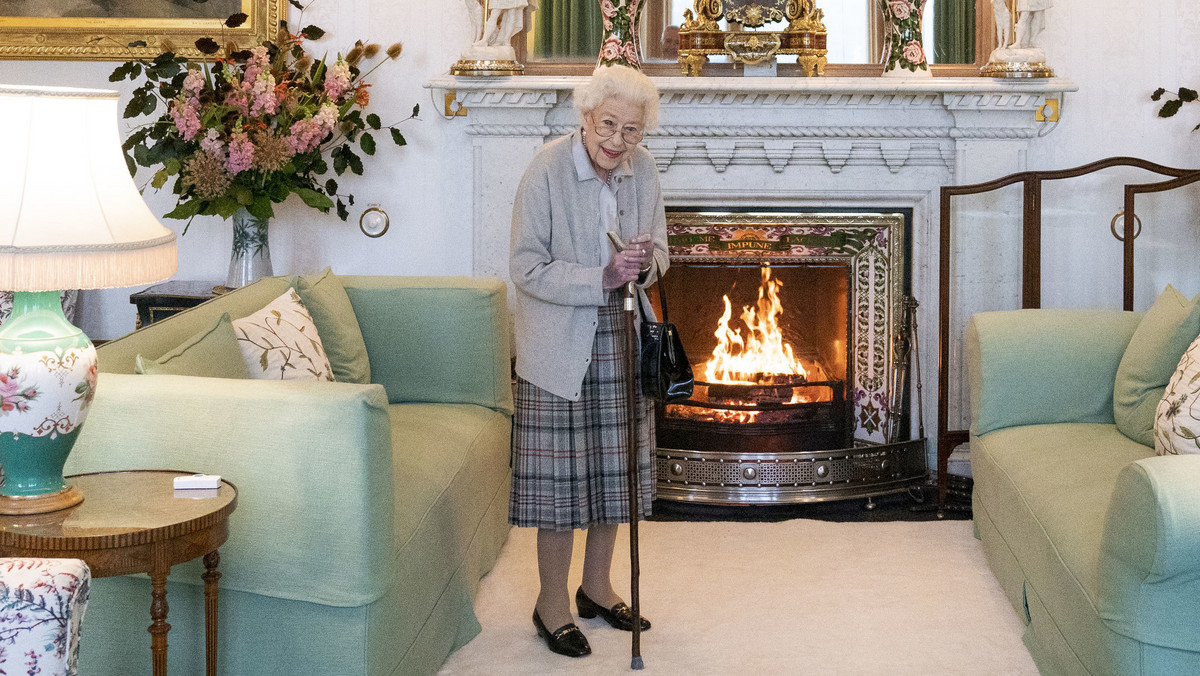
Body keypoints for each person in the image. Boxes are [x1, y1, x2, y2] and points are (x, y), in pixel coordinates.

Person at [508, 64, 666, 659]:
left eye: (631, 131)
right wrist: (600, 276)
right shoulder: (547, 169)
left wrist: (645, 261)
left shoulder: (643, 170)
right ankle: (550, 603)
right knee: (561, 488)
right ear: (585, 117)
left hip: (623, 337)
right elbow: (525, 267)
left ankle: (596, 588)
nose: (617, 142)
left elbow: (663, 250)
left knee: (612, 475)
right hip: (558, 345)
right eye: (608, 126)